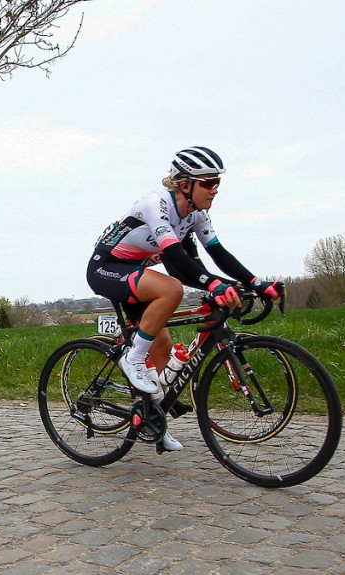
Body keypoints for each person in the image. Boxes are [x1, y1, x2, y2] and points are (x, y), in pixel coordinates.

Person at [87, 147, 284, 451]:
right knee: (172, 289)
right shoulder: (157, 206)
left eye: (217, 182)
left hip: (137, 275)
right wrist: (214, 284)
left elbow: (215, 255)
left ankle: (151, 420)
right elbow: (175, 260)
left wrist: (254, 283)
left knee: (162, 346)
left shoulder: (196, 216)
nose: (215, 190)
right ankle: (132, 358)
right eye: (208, 183)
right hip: (106, 268)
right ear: (184, 185)